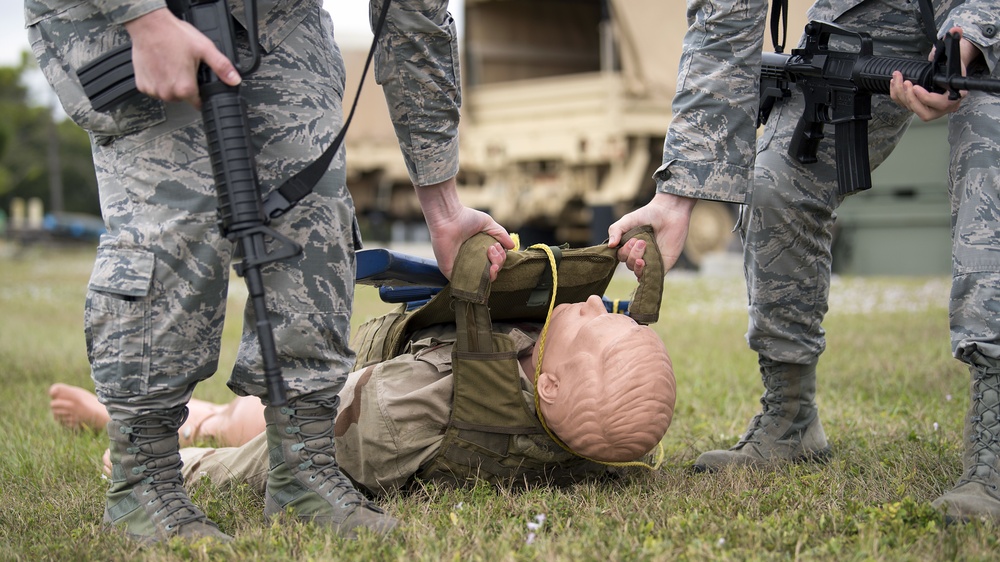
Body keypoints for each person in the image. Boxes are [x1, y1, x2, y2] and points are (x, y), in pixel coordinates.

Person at [27, 0, 514, 543]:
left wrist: (442, 205)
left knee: (315, 217)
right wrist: (144, 18)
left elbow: (414, 15)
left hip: (275, 13)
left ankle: (305, 470)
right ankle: (143, 483)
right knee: (176, 221)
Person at [607, 0, 1000, 521]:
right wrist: (677, 196)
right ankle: (790, 418)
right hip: (873, 13)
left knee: (988, 181)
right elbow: (724, 25)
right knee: (774, 183)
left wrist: (973, 32)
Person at [174, 294, 676, 496]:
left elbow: (287, 454)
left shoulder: (407, 409)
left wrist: (185, 467)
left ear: (549, 385)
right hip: (363, 395)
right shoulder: (611, 443)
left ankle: (196, 422)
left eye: (594, 321)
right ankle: (207, 416)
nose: (592, 300)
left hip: (344, 401)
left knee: (238, 420)